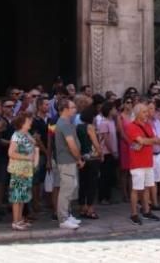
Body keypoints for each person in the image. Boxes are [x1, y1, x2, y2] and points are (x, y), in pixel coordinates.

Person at [124, 102, 160, 224]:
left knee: (146, 187)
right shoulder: (131, 126)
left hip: (148, 161)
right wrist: (152, 141)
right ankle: (134, 213)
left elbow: (146, 141)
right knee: (136, 188)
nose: (147, 113)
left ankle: (146, 211)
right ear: (138, 113)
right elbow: (141, 141)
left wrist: (148, 141)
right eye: (144, 111)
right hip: (137, 163)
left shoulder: (147, 125)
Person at [50, 97, 83, 230]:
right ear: (65, 109)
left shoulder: (67, 123)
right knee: (65, 190)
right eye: (73, 107)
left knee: (71, 187)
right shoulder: (63, 124)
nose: (75, 110)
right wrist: (79, 158)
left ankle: (67, 214)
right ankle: (63, 218)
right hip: (66, 161)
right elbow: (71, 144)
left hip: (70, 161)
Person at [7, 113, 36, 230]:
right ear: (22, 122)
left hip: (26, 169)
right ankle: (15, 221)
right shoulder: (16, 135)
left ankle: (20, 219)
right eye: (29, 120)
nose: (31, 122)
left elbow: (33, 144)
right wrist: (27, 157)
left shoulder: (26, 134)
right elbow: (11, 152)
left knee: (23, 195)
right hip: (19, 169)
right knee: (17, 195)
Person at [76, 105, 102, 220]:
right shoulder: (90, 127)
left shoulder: (78, 126)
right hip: (92, 158)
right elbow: (95, 143)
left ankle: (82, 207)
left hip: (82, 157)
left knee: (83, 183)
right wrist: (100, 153)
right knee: (92, 184)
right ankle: (90, 208)